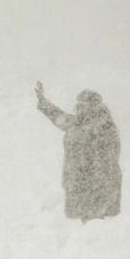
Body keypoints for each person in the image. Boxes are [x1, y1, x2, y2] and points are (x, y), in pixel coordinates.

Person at [34, 82, 121, 222]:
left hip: (96, 190)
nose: (79, 108)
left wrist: (96, 187)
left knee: (98, 228)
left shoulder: (104, 128)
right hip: (79, 184)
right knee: (83, 232)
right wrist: (43, 102)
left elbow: (107, 164)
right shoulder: (77, 123)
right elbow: (59, 117)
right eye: (78, 105)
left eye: (83, 106)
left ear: (94, 107)